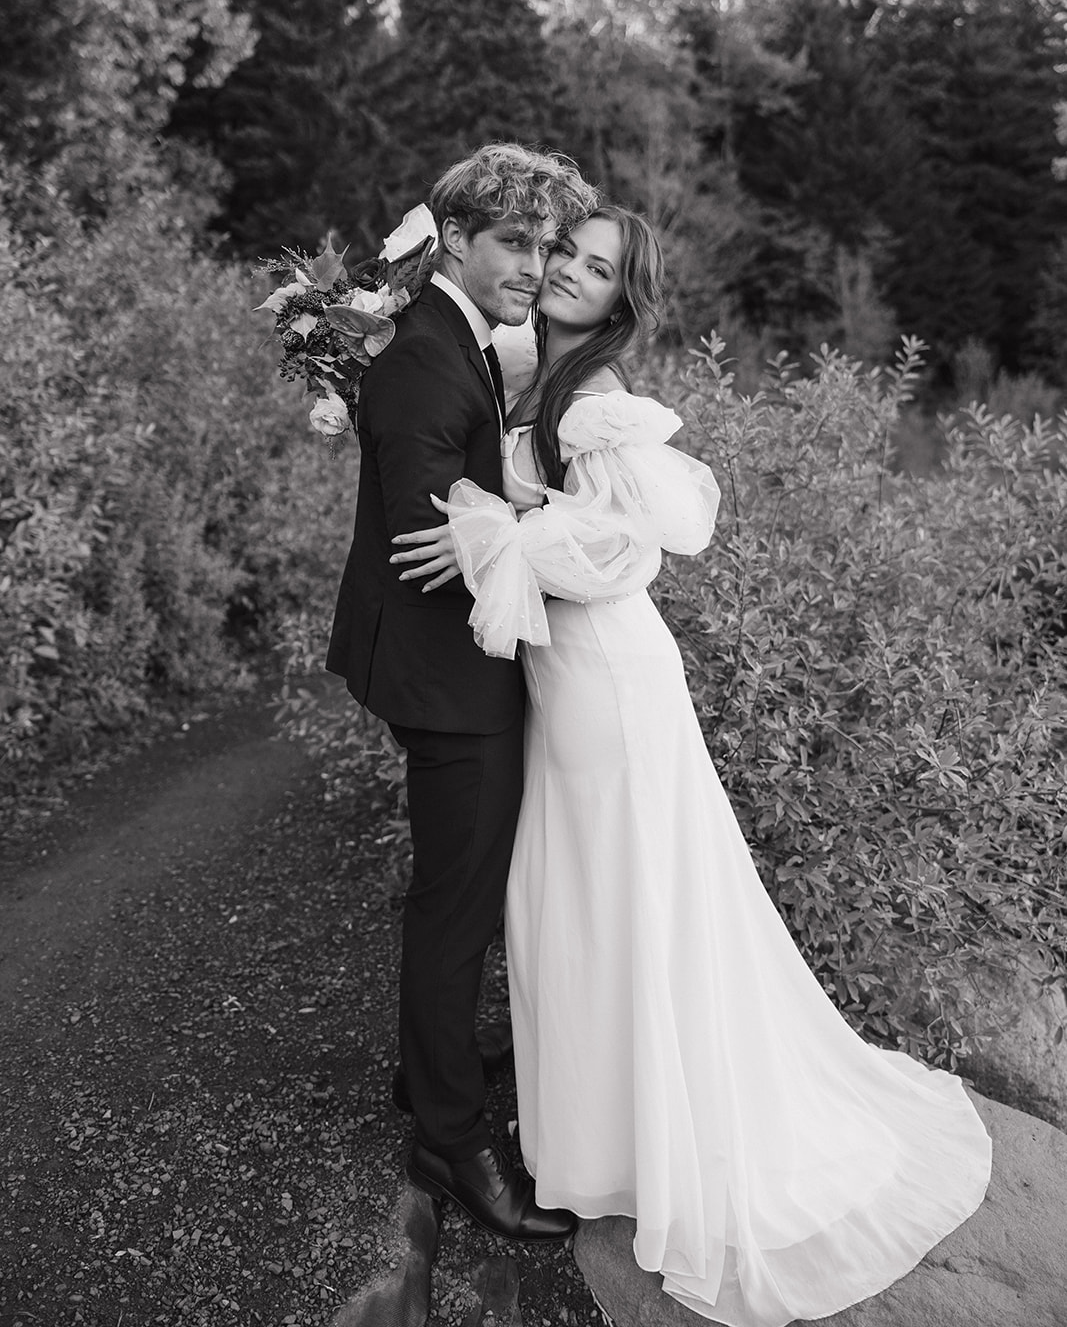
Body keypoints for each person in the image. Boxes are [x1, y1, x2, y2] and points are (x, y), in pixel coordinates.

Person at [392, 206, 992, 1326]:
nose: (565, 270)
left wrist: (493, 535)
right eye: (558, 251)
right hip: (561, 684)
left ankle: (658, 1141)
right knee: (576, 894)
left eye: (594, 266)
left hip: (608, 685)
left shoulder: (603, 405)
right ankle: (600, 1131)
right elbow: (449, 366)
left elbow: (625, 552)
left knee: (625, 893)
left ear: (623, 297)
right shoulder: (532, 372)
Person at [325, 142, 598, 1243]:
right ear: (453, 242)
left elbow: (476, 522)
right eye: (515, 243)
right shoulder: (425, 362)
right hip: (444, 676)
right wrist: (548, 528)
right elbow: (433, 542)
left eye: (545, 245)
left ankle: (426, 1062)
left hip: (447, 660)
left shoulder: (460, 338)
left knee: (464, 888)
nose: (535, 265)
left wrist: (501, 521)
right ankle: (445, 1134)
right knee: (454, 903)